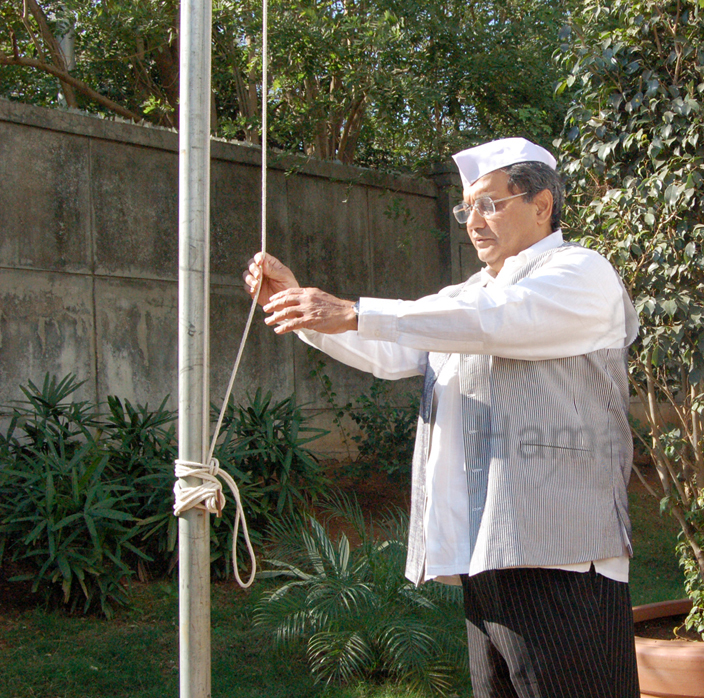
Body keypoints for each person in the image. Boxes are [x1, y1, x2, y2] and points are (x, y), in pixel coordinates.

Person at [243, 137, 640, 698]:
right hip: (489, 554)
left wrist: (356, 312)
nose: (473, 221)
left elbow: (498, 322)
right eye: (466, 208)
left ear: (543, 204)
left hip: (563, 560)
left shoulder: (581, 272)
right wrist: (298, 309)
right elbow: (393, 352)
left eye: (490, 204)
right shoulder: (469, 293)